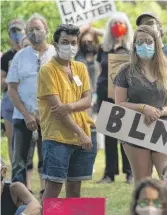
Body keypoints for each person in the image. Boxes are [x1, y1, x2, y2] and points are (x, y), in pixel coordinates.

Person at [114, 25, 167, 183]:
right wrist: (143, 108)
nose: (144, 45)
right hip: (134, 130)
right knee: (143, 182)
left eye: (148, 41)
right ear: (134, 45)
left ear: (156, 43)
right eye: (139, 42)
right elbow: (119, 103)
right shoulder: (125, 71)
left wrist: (160, 111)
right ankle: (142, 208)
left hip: (163, 129)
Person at [37, 24, 97, 200]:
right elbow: (58, 110)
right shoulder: (47, 70)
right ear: (55, 43)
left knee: (75, 191)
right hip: (57, 137)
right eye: (64, 42)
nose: (69, 46)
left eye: (73, 42)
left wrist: (70, 106)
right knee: (53, 190)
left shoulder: (80, 68)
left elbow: (88, 100)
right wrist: (81, 134)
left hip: (82, 136)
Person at [6, 14, 55, 190]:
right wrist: (27, 115)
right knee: (19, 162)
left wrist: (45, 113)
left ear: (46, 30)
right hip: (22, 118)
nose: (34, 33)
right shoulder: (20, 56)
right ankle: (19, 200)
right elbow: (11, 89)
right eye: (30, 30)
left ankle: (46, 197)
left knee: (49, 161)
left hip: (50, 118)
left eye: (38, 29)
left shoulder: (56, 55)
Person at [136, 12, 167, 159]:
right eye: (143, 25)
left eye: (151, 23)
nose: (147, 27)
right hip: (142, 117)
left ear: (159, 26)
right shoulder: (135, 57)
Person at [96, 12, 133, 184]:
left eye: (121, 22)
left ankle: (130, 172)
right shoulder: (103, 48)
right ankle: (109, 174)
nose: (118, 25)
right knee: (109, 135)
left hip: (125, 96)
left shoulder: (131, 48)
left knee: (126, 135)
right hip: (105, 94)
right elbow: (99, 70)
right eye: (115, 22)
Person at [1, 19, 26, 167]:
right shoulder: (6, 57)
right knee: (12, 138)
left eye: (19, 31)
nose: (16, 34)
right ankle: (16, 169)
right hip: (10, 100)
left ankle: (26, 167)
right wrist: (12, 77)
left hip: (27, 100)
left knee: (26, 139)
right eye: (13, 31)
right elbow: (1, 81)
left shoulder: (29, 54)